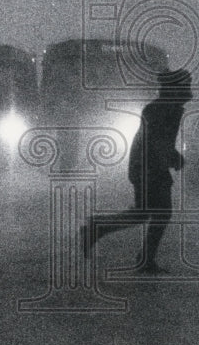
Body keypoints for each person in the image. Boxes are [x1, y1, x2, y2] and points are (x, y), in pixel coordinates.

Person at [80, 68, 192, 274]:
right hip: (148, 168)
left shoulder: (166, 107)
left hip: (147, 166)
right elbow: (155, 140)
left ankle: (102, 231)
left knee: (145, 213)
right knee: (157, 213)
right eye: (187, 86)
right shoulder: (162, 109)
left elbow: (158, 140)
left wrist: (171, 156)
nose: (190, 91)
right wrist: (171, 157)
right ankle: (141, 256)